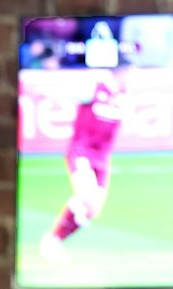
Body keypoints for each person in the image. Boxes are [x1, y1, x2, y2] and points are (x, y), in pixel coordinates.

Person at [37, 33, 128, 263]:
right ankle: (52, 241)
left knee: (93, 210)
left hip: (102, 159)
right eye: (127, 70)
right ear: (118, 70)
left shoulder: (122, 95)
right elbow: (66, 93)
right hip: (83, 153)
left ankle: (55, 240)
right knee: (86, 198)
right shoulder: (94, 86)